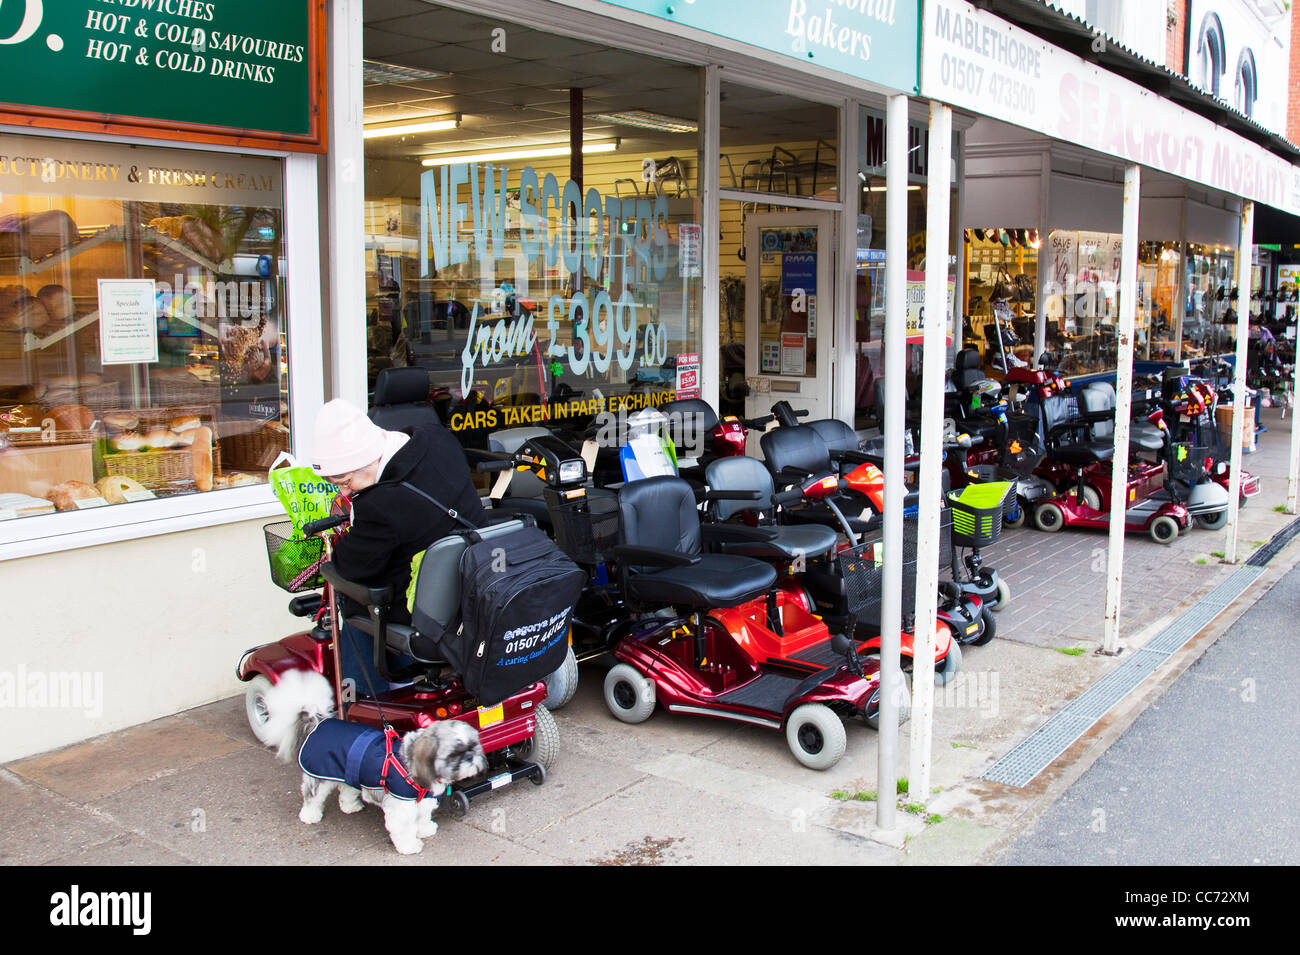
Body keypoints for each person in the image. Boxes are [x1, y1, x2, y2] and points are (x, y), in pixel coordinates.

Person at [310, 398, 485, 688]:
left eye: (344, 482)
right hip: (477, 581)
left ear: (366, 461)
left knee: (352, 596)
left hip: (434, 610)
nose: (344, 490)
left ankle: (365, 698)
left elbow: (351, 567)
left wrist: (332, 562)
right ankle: (403, 677)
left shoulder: (380, 504)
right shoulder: (435, 437)